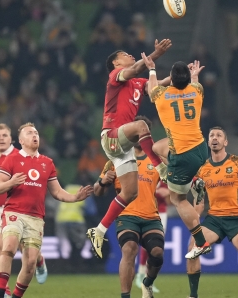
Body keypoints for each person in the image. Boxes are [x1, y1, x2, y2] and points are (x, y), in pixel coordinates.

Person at [86, 38, 172, 259]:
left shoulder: (136, 83)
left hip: (123, 146)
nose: (130, 55)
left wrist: (182, 75)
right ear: (116, 63)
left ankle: (99, 230)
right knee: (142, 125)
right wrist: (155, 54)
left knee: (130, 192)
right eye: (125, 54)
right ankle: (161, 169)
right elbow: (134, 67)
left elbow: (157, 86)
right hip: (112, 136)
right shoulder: (115, 77)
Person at [0, 123, 93, 298]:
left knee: (30, 261)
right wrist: (10, 183)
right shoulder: (12, 159)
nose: (34, 135)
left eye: (36, 132)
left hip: (36, 218)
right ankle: (0, 294)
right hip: (13, 212)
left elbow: (57, 192)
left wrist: (75, 197)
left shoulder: (47, 163)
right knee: (8, 248)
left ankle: (16, 296)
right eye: (30, 133)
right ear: (21, 140)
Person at [144, 56, 211, 259]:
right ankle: (193, 180)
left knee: (177, 198)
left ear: (171, 79)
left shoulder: (162, 97)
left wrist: (152, 69)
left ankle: (201, 242)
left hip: (182, 155)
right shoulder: (196, 92)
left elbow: (150, 87)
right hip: (200, 148)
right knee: (156, 147)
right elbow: (195, 84)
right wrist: (195, 76)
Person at [94, 115, 165, 298]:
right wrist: (102, 182)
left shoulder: (157, 160)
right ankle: (126, 296)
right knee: (129, 249)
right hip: (127, 216)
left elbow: (171, 186)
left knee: (157, 253)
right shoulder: (117, 158)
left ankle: (147, 283)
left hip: (151, 216)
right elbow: (97, 191)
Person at [187, 126, 238, 298]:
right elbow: (200, 199)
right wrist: (196, 215)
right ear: (208, 142)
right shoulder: (202, 169)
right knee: (192, 249)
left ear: (225, 142)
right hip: (214, 219)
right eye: (212, 135)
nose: (215, 138)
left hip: (237, 217)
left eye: (219, 135)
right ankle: (193, 295)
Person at [0, 124, 48, 293]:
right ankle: (4, 290)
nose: (1, 139)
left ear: (12, 139)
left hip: (19, 208)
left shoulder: (20, 155)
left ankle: (39, 259)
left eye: (4, 135)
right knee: (0, 247)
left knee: (24, 250)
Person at [134, 180, 169, 294]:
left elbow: (170, 194)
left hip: (161, 211)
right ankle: (141, 275)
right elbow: (141, 190)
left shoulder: (165, 170)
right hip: (146, 210)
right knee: (148, 243)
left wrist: (169, 192)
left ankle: (147, 279)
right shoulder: (145, 168)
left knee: (156, 245)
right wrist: (159, 192)